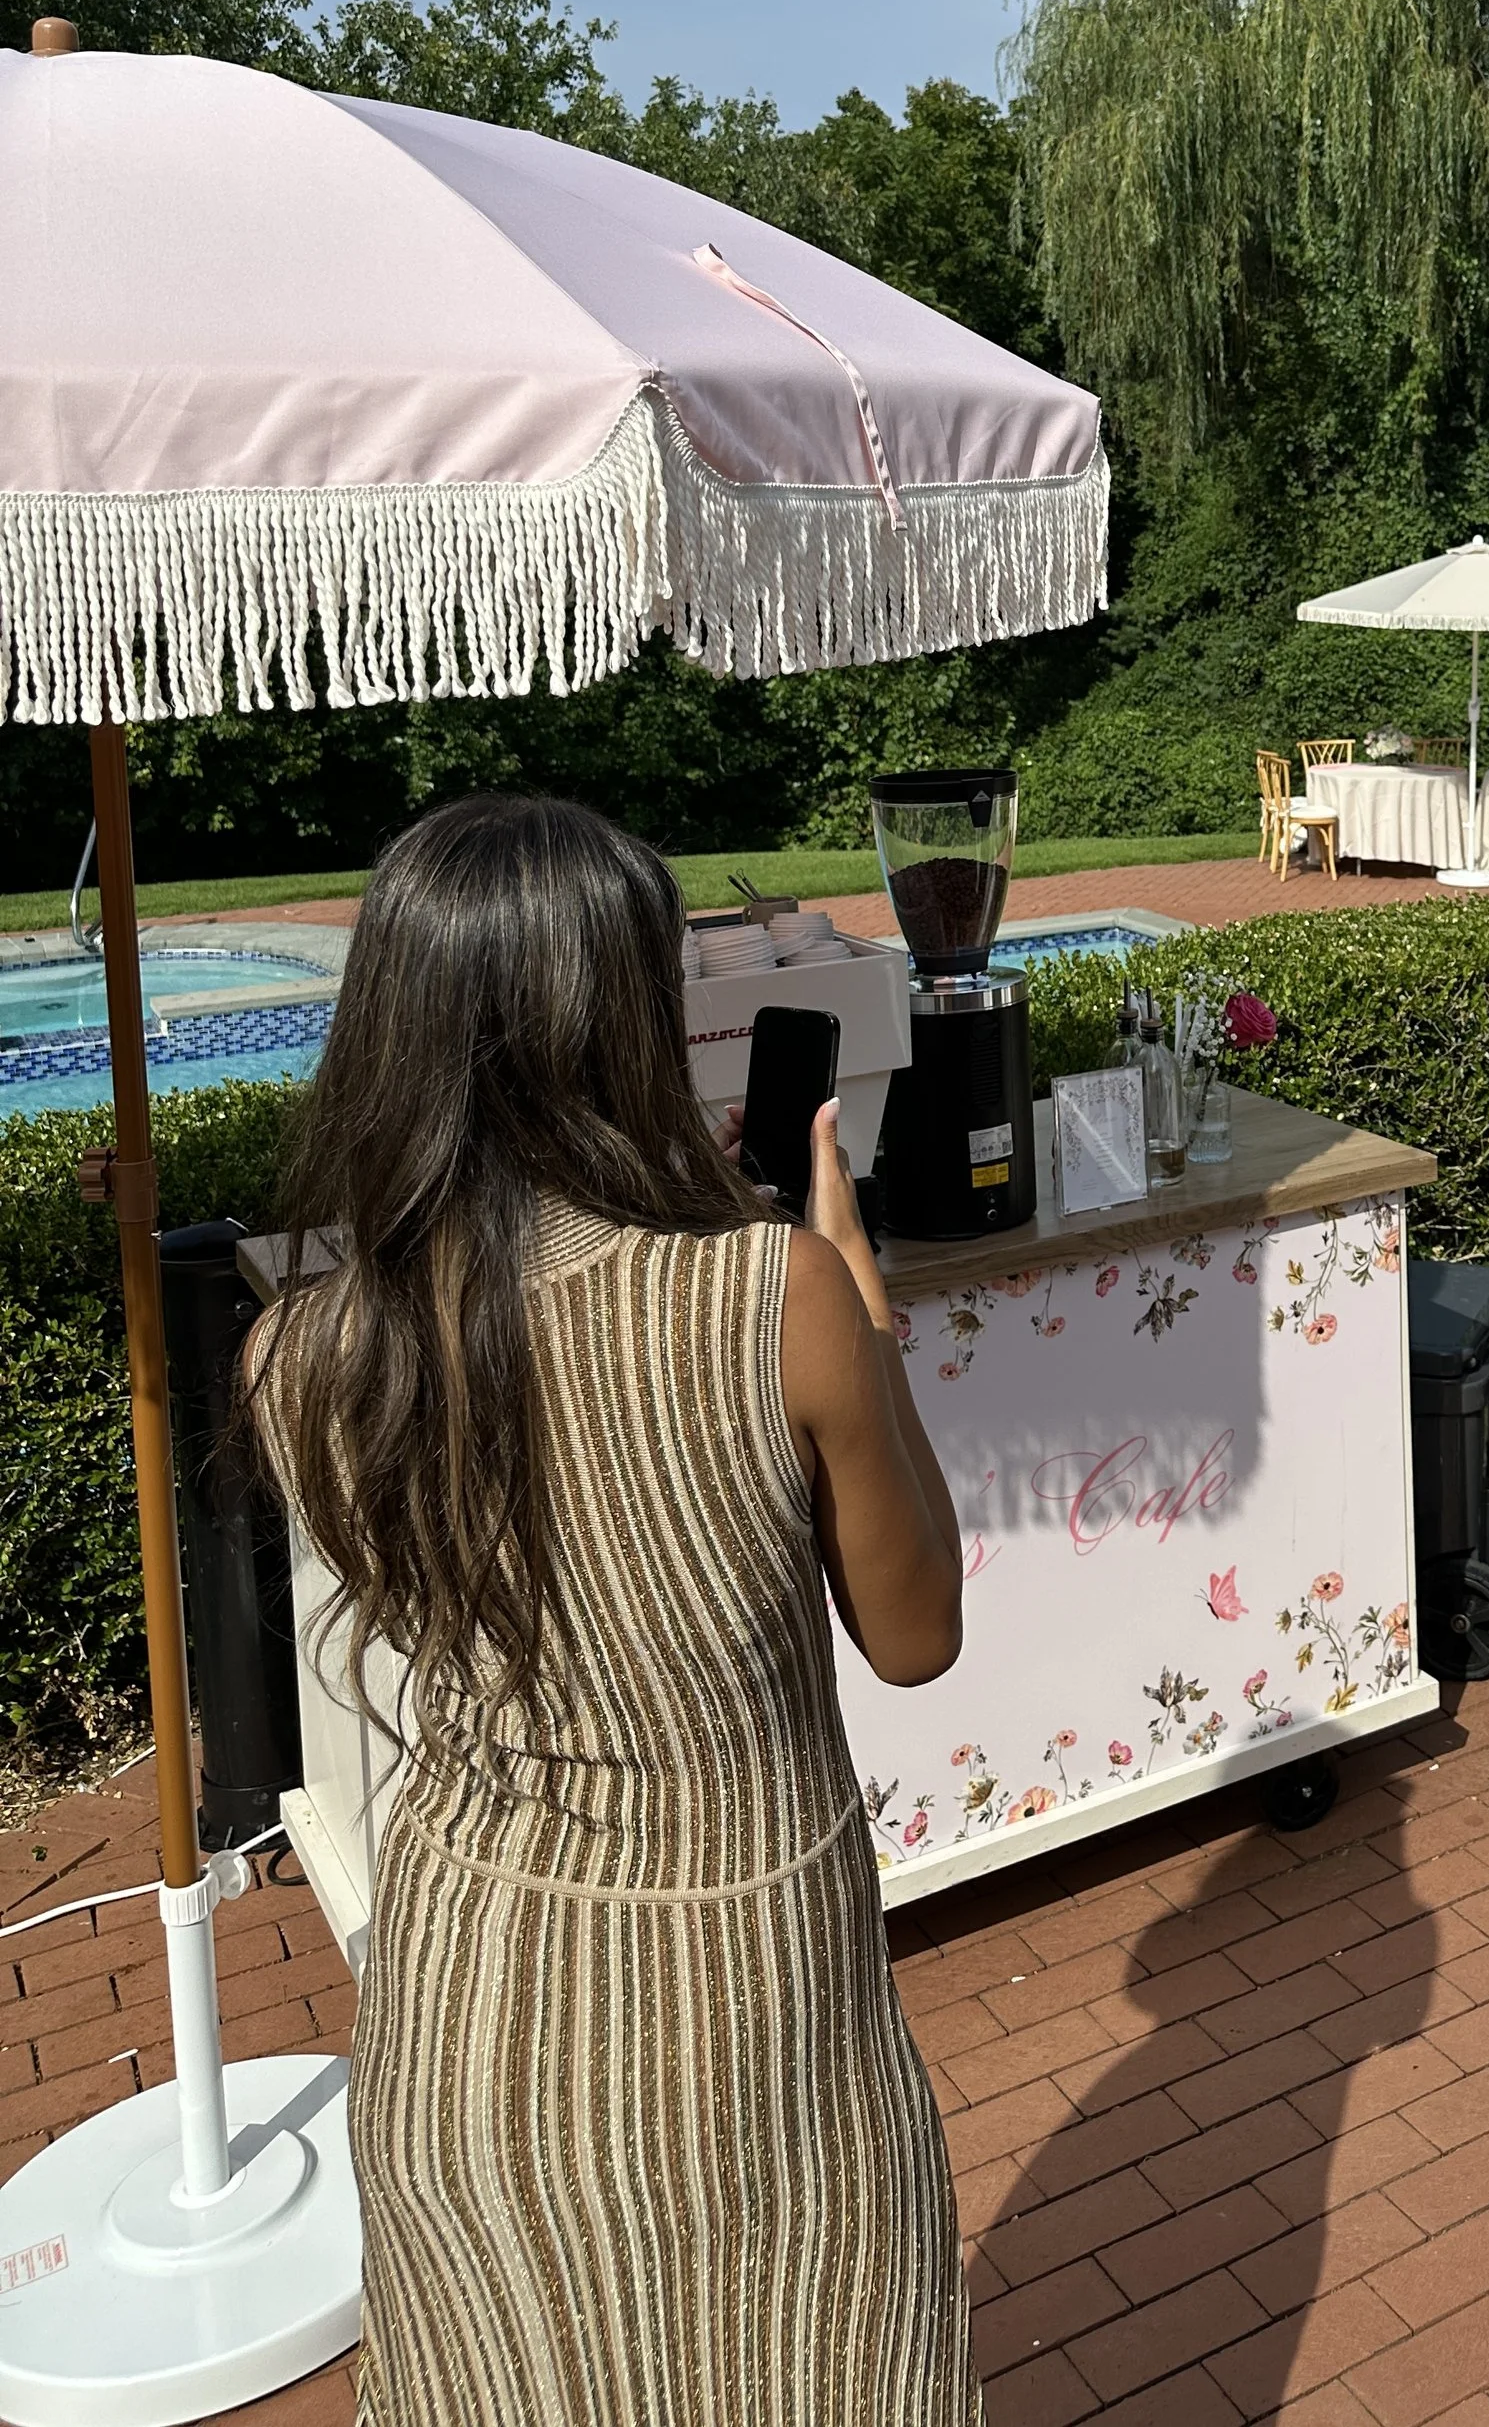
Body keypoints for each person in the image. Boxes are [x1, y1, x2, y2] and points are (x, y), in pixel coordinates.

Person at [248, 796, 981, 2425]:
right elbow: (919, 1634)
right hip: (744, 2009)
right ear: (628, 1016)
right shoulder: (768, 1291)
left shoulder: (301, 1353)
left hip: (464, 2004)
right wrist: (849, 1278)